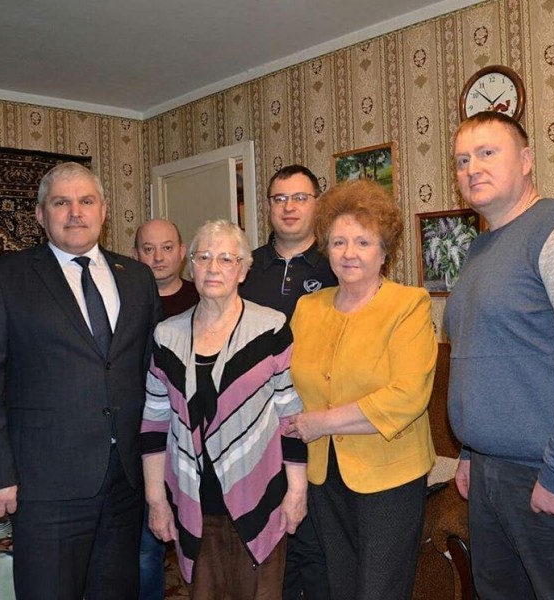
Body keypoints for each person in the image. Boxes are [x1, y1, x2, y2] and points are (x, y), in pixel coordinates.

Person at [0, 162, 162, 599]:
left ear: (104, 210)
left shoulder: (137, 278)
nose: (75, 212)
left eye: (86, 201)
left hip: (125, 482)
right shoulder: (4, 278)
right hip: (44, 485)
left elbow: (152, 374)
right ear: (40, 214)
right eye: (61, 202)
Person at [444, 111, 554, 599]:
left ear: (526, 160)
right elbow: (479, 356)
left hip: (547, 474)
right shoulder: (480, 248)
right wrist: (471, 453)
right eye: (462, 160)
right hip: (490, 474)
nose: (472, 168)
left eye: (487, 153)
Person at [141, 219, 308, 598]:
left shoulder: (271, 328)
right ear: (191, 266)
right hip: (193, 503)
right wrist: (156, 499)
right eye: (203, 257)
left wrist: (297, 491)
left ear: (243, 270)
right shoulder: (166, 336)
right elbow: (154, 423)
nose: (213, 268)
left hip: (261, 498)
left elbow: (291, 417)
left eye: (226, 259)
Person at [287, 179, 437, 600]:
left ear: (384, 252)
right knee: (341, 585)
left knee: (379, 590)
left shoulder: (408, 304)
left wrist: (322, 422)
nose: (349, 253)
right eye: (338, 242)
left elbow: (407, 395)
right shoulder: (308, 308)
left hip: (390, 477)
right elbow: (286, 383)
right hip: (323, 475)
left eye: (363, 242)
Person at [239, 164, 336, 599]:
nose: (289, 207)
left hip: (318, 425)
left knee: (314, 548)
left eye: (299, 197)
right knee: (266, 545)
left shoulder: (337, 264)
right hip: (256, 429)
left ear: (317, 204)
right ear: (268, 206)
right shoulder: (245, 267)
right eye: (279, 198)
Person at [132, 218, 199, 600]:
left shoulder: (203, 299)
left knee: (204, 544)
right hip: (146, 440)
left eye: (167, 247)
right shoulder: (123, 302)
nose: (158, 257)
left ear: (182, 251)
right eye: (148, 249)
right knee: (146, 549)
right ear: (135, 254)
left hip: (197, 442)